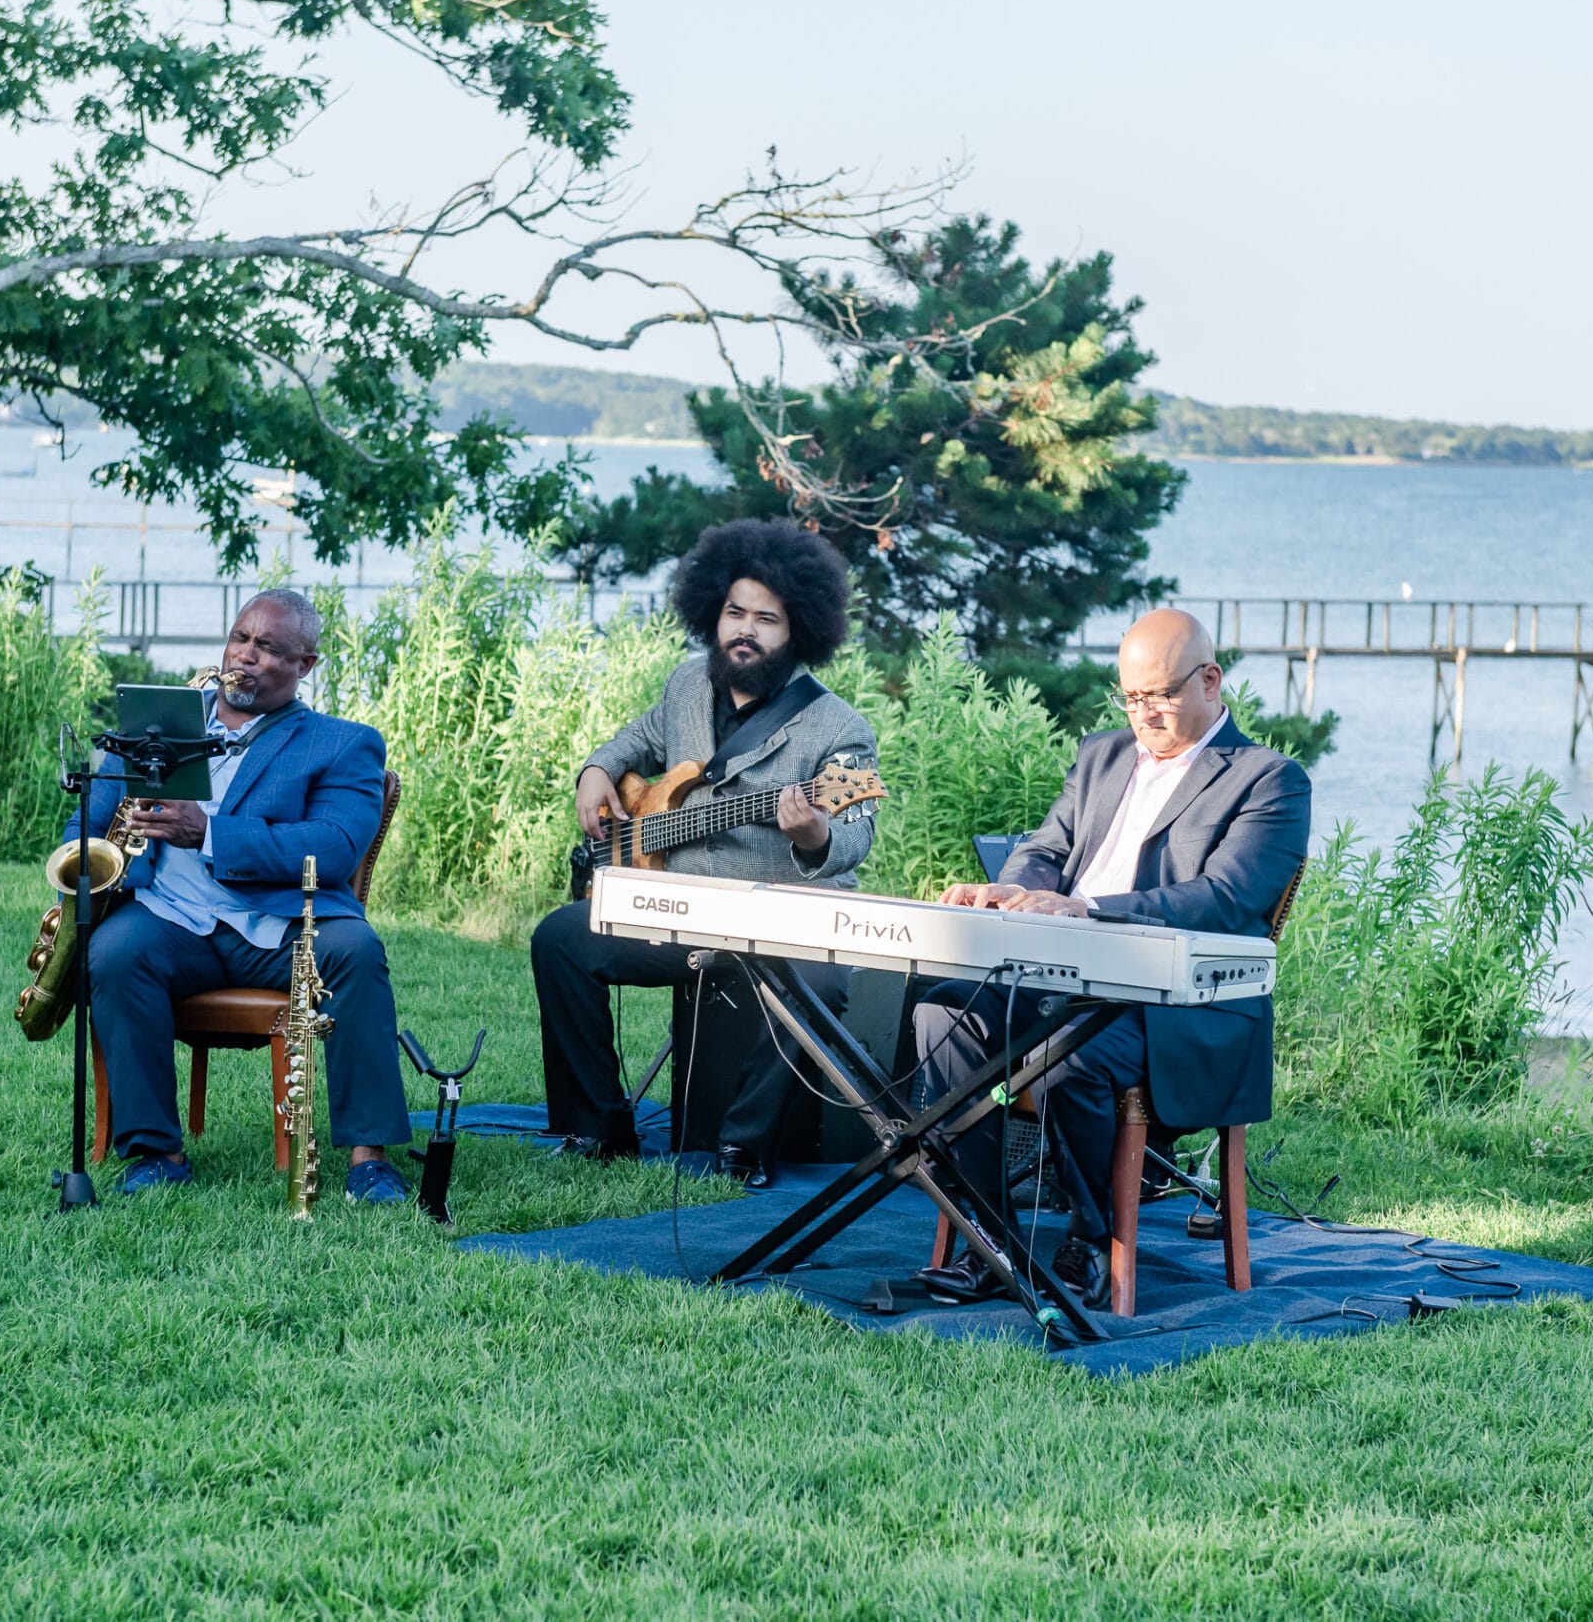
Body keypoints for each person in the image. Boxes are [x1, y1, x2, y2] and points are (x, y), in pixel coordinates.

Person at [911, 608, 1309, 1304]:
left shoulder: (1268, 779)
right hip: (1064, 974)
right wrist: (1016, 890)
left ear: (1211, 681)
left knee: (1070, 1050)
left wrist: (1088, 908)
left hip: (1178, 1006)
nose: (1142, 713)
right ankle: (990, 1237)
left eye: (1159, 694)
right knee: (941, 1016)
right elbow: (1045, 851)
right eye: (1130, 696)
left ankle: (1086, 1241)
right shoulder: (1101, 755)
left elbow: (1222, 898)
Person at [532, 519, 880, 1186]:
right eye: (734, 613)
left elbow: (854, 833)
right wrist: (595, 772)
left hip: (780, 917)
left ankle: (741, 1146)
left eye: (767, 619)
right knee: (560, 938)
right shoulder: (688, 684)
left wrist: (811, 831)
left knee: (823, 978)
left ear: (798, 628)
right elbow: (634, 742)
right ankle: (598, 1127)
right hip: (675, 903)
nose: (745, 630)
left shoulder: (840, 729)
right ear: (712, 613)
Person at [74, 589, 412, 1200]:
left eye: (268, 648)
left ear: (305, 665)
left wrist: (209, 833)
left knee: (356, 949)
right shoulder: (164, 722)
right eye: (240, 639)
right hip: (171, 916)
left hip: (279, 925)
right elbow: (92, 823)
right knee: (116, 953)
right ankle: (155, 1152)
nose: (246, 656)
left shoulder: (342, 742)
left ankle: (370, 1158)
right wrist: (95, 832)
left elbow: (332, 846)